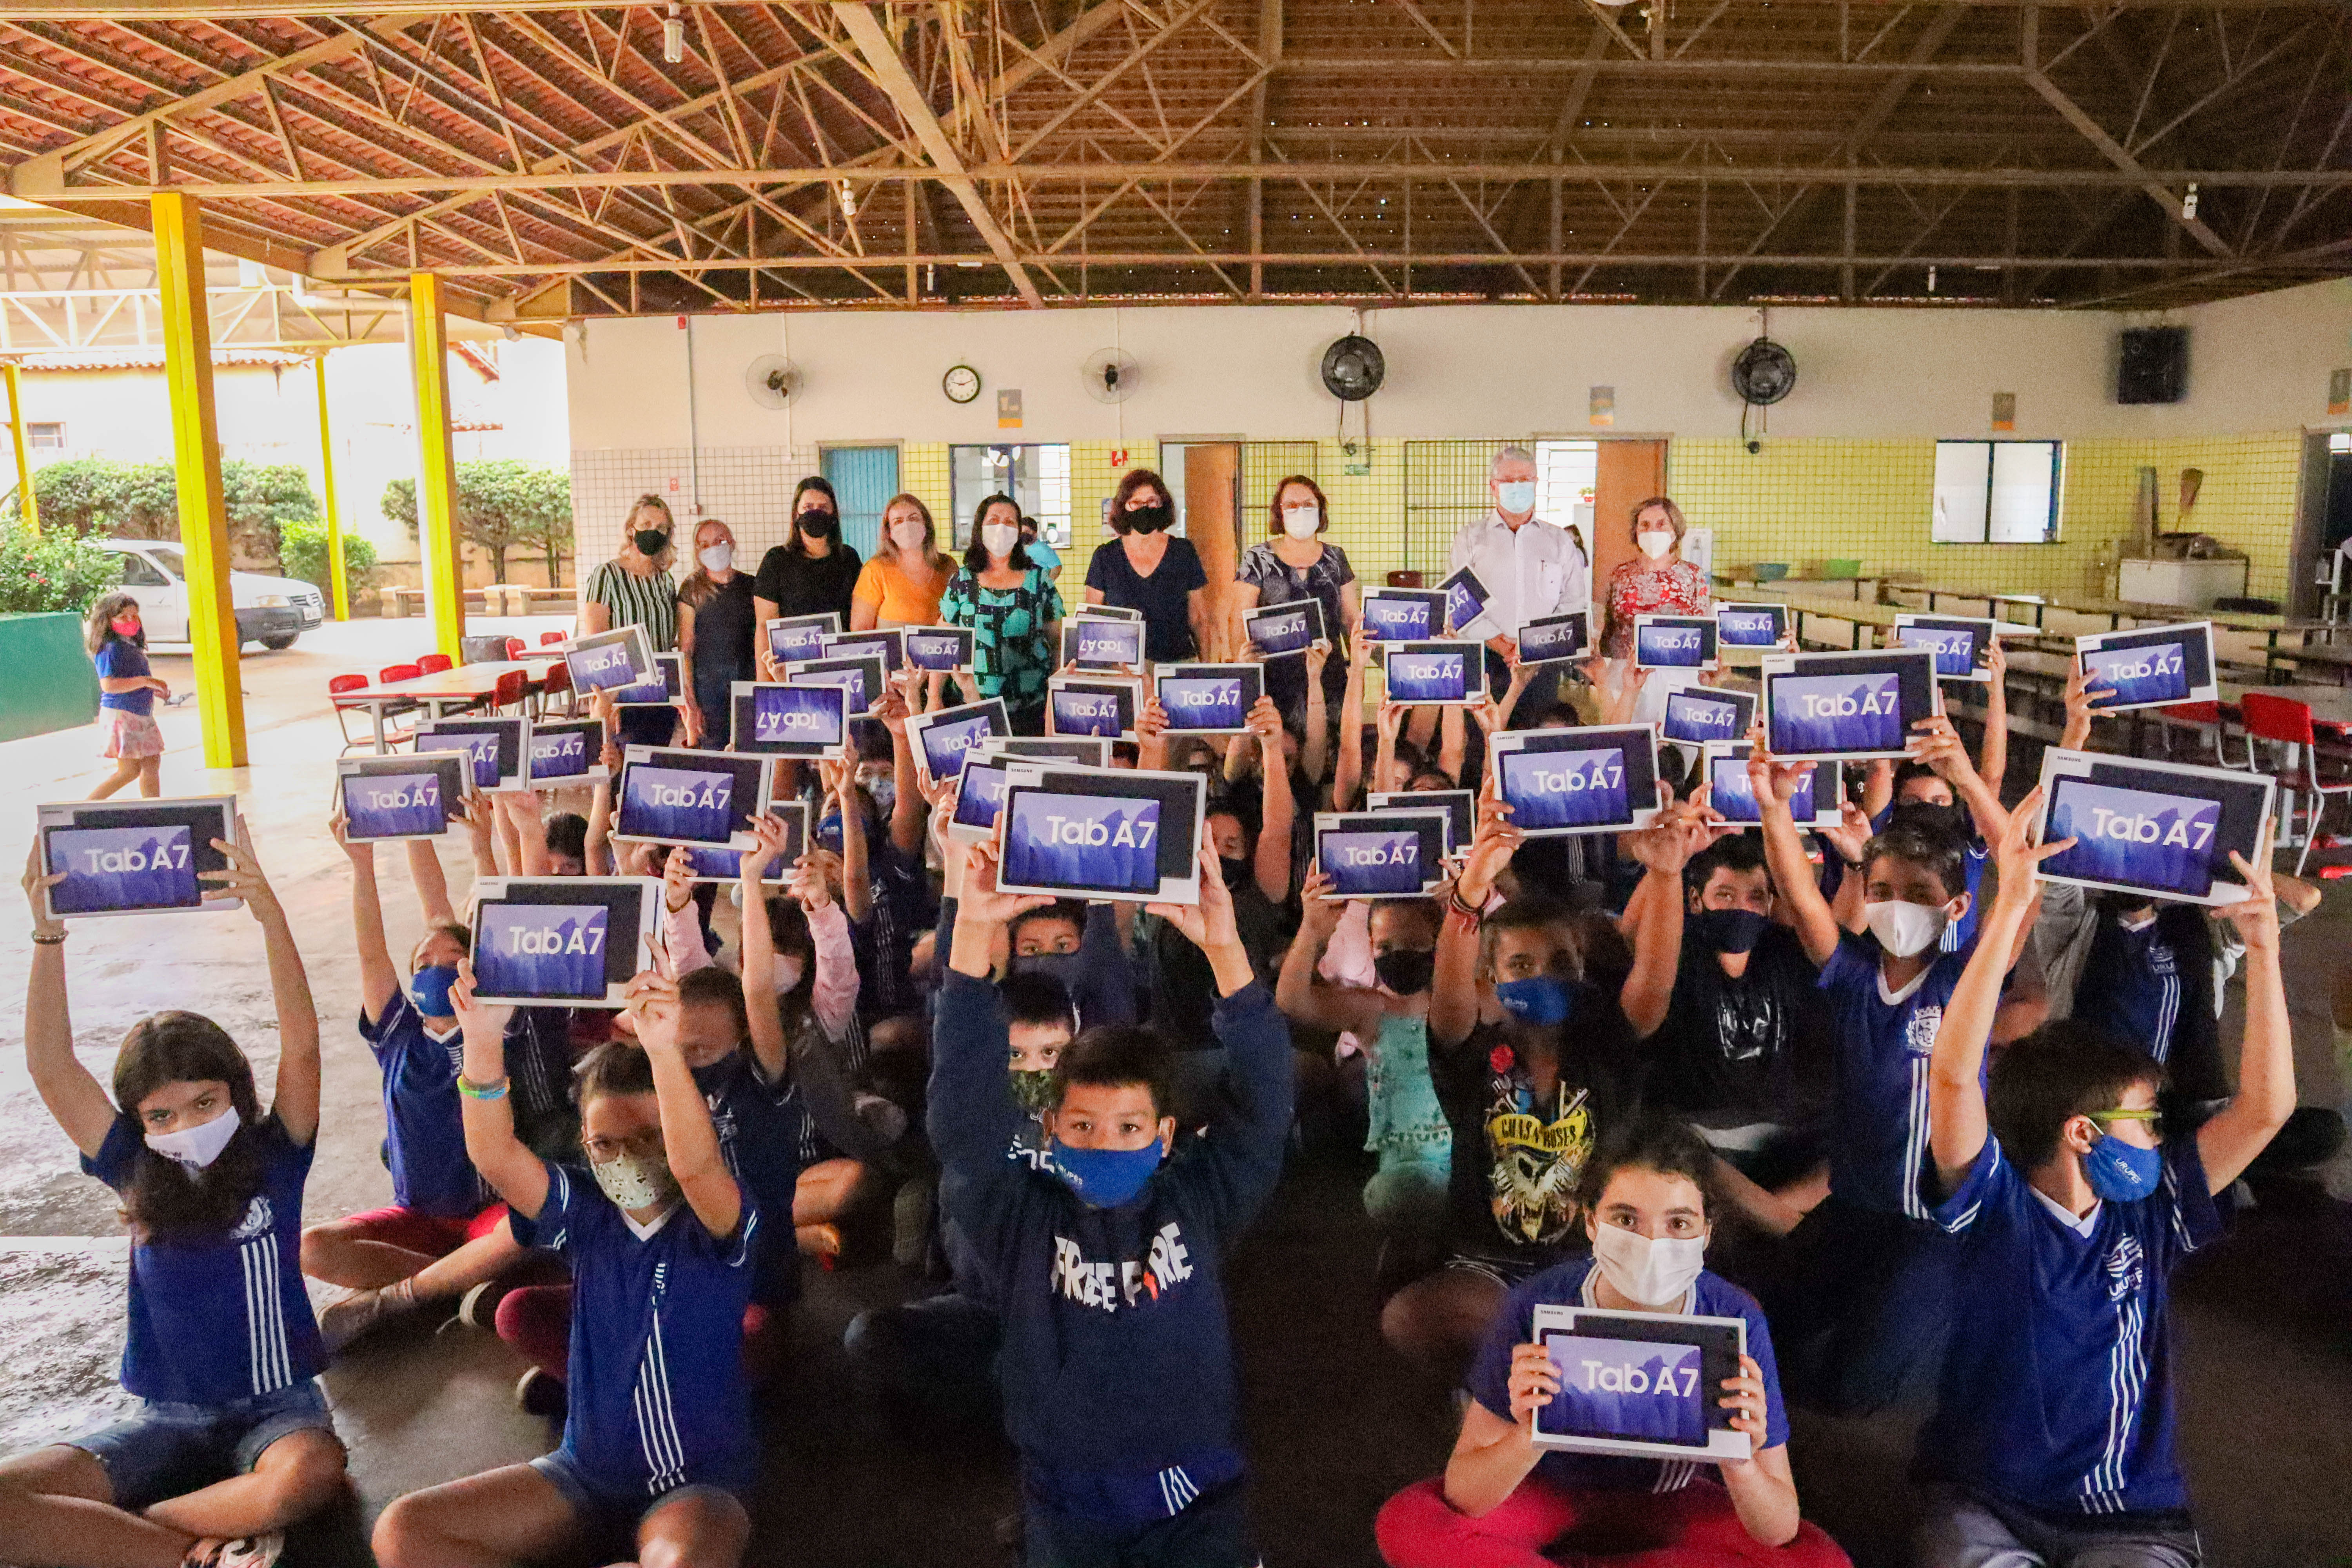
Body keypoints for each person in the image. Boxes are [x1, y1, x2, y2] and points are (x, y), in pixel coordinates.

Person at [1915, 794, 2295, 1568]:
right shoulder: (1994, 1204)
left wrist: (2264, 950)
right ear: (2081, 1131)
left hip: (2128, 1514)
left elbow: (2266, 1109)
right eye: (2147, 1118)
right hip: (1987, 1502)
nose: (2161, 1134)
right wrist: (2011, 905)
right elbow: (1954, 1078)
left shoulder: (2153, 1209)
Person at [933, 839, 1293, 1566]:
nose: (1104, 1145)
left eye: (1128, 1129)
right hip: (1069, 1503)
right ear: (1049, 1129)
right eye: (1083, 1128)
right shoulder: (1022, 1219)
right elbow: (962, 1124)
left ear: (1164, 1136)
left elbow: (1264, 1110)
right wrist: (972, 937)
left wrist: (1226, 948)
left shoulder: (1198, 1199)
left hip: (1197, 1497)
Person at [4, 833, 347, 1568]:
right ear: (138, 1122)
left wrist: (270, 917)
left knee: (313, 1476)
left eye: (204, 1101)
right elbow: (51, 1066)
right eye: (162, 1115)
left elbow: (304, 1047)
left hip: (278, 1411)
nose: (186, 1125)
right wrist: (47, 932)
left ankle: (138, 1536)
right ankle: (200, 1548)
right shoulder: (132, 1168)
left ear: (235, 1091)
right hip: (166, 1418)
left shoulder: (276, 1153)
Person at [373, 968, 757, 1568]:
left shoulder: (719, 1220)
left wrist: (662, 1050)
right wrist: (480, 1041)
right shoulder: (586, 1210)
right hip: (582, 1472)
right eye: (605, 1143)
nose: (627, 1156)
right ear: (584, 1143)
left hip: (694, 1484)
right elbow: (495, 1153)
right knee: (404, 1533)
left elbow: (697, 1168)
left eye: (652, 1135)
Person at [1375, 1119, 1851, 1568]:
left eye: (1679, 1223)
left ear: (1707, 1232)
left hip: (1674, 1502)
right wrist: (1527, 1434)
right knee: (1410, 1522)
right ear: (1590, 1222)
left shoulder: (1734, 1318)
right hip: (1550, 1492)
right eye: (1626, 1218)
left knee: (1818, 1560)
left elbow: (1779, 1526)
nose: (1652, 1242)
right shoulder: (1539, 1304)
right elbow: (1465, 1491)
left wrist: (1741, 1462)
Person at [1748, 727, 2027, 1416]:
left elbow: (2021, 888)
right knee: (1762, 1333)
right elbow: (1802, 894)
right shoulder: (1850, 975)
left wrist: (1968, 779)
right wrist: (1774, 807)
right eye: (1883, 890)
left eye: (1919, 891)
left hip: (1931, 1229)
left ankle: (1949, 1308)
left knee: (1850, 1397)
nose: (1896, 903)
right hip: (1853, 1207)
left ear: (1957, 908)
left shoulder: (1965, 981)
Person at [1379, 783, 1643, 1381]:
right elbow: (1448, 1000)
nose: (1541, 976)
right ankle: (1518, 1385)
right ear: (1490, 978)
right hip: (1486, 1268)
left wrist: (1666, 875)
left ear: (1583, 971)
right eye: (1520, 966)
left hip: (1588, 1264)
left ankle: (1524, 1379)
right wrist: (1469, 897)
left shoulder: (1606, 1053)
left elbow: (1651, 983)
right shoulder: (1473, 1053)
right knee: (1409, 1318)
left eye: (1560, 964)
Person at [299, 817, 524, 1351]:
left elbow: (506, 925)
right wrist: (361, 866)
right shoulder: (398, 1034)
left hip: (487, 1215)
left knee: (523, 1230)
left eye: (455, 960)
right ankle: (456, 1281)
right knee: (312, 1247)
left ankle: (407, 1296)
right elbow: (372, 953)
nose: (438, 968)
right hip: (416, 1217)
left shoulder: (501, 1026)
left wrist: (489, 844)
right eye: (425, 962)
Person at [1621, 830, 1833, 1239]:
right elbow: (1631, 938)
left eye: (1755, 897)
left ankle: (1764, 1218)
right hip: (1696, 1150)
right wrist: (1669, 865)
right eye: (1725, 895)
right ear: (1697, 901)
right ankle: (1779, 1226)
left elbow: (1827, 920)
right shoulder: (1678, 953)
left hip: (1784, 1149)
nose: (1742, 907)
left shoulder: (1786, 952)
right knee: (1683, 1152)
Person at [1276, 876, 1452, 1252]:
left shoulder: (1457, 1007)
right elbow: (1293, 1002)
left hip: (1458, 1158)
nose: (1400, 955)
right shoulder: (1372, 1009)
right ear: (1371, 947)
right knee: (1398, 1202)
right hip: (1401, 1166)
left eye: (1416, 945)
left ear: (1437, 946)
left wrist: (1462, 913)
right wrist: (1311, 930)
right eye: (1386, 946)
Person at [1448, 446, 1590, 719]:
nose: (1517, 487)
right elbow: (1460, 602)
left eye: (1525, 480)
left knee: (1536, 740)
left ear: (1536, 484)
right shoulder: (1469, 538)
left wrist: (1533, 647)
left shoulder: (1559, 541)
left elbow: (1573, 602)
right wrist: (1504, 646)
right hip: (1485, 659)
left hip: (1542, 663)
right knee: (1485, 742)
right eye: (1508, 481)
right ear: (1493, 487)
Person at [1235, 475, 1359, 732]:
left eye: (1308, 504)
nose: (1300, 510)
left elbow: (1351, 619)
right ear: (1279, 512)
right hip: (1273, 681)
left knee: (1330, 758)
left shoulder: (1336, 558)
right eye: (1291, 505)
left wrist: (1359, 670)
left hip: (1329, 676)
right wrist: (1244, 668)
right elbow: (1240, 619)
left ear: (1321, 509)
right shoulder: (1257, 558)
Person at [939, 493, 1063, 732]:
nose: (1001, 528)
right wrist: (934, 698)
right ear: (980, 528)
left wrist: (1056, 699)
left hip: (1032, 709)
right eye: (993, 521)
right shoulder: (962, 581)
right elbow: (944, 642)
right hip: (971, 706)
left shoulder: (1040, 580)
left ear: (1019, 532)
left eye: (1009, 523)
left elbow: (1058, 643)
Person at [582, 495, 682, 748]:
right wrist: (609, 703)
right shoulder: (607, 575)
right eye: (646, 524)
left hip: (660, 696)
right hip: (623, 699)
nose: (653, 532)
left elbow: (668, 639)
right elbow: (597, 643)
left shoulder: (665, 580)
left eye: (661, 528)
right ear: (631, 529)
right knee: (621, 771)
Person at [1086, 468, 1209, 664]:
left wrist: (1207, 669)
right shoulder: (1105, 557)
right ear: (1123, 507)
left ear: (1162, 504)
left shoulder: (1183, 552)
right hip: (1124, 670)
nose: (1145, 508)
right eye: (1136, 502)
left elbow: (1199, 621)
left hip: (1177, 668)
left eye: (1152, 501)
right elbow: (1092, 623)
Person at [677, 517, 757, 751]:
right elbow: (686, 650)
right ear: (697, 551)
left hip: (747, 685)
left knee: (749, 755)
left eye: (720, 540)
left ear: (732, 543)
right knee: (714, 756)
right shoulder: (692, 589)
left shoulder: (751, 586)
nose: (713, 548)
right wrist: (691, 703)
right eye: (705, 544)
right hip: (709, 692)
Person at [1598, 497, 1709, 662]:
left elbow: (1703, 631)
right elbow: (1608, 629)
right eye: (1645, 525)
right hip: (1625, 669)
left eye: (1661, 524)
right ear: (1635, 531)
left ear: (1675, 529)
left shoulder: (1693, 575)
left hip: (1677, 666)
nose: (1652, 532)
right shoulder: (1620, 575)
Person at [84, 590, 169, 800]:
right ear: (108, 620)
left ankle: (154, 812)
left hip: (140, 713)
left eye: (134, 616)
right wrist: (146, 681)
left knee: (151, 763)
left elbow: (130, 679)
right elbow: (109, 685)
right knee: (129, 771)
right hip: (123, 714)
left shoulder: (130, 645)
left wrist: (150, 689)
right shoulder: (110, 649)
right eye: (123, 617)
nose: (130, 621)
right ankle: (82, 809)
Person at [753, 476, 863, 628]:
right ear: (796, 513)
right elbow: (765, 626)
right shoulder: (776, 561)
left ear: (833, 515)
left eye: (823, 507)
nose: (816, 512)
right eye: (808, 507)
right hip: (792, 652)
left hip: (840, 651)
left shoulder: (849, 559)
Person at [852, 493, 953, 631]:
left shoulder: (947, 567)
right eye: (898, 521)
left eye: (914, 518)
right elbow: (860, 631)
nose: (907, 525)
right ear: (890, 532)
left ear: (926, 525)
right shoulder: (875, 570)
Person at [1020, 515, 1063, 583]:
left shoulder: (1043, 549)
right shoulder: (1024, 548)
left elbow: (1057, 567)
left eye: (1027, 532)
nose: (1024, 535)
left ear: (1035, 533)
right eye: (1022, 533)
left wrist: (1047, 585)